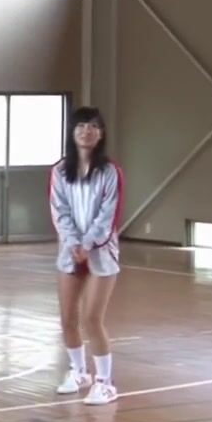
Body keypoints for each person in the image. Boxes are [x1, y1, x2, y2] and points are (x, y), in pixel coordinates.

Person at [49, 106, 123, 406]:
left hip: (101, 254)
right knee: (68, 318)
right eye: (80, 126)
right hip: (70, 253)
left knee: (92, 319)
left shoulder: (110, 172)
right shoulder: (59, 171)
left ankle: (105, 383)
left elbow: (108, 215)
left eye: (93, 126)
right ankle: (79, 372)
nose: (86, 131)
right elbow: (60, 211)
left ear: (101, 133)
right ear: (72, 132)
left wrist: (88, 244)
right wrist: (72, 243)